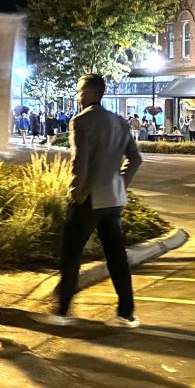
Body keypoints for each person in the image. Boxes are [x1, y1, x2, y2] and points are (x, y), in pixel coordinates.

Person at [52, 74, 142, 328]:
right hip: (113, 198)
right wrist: (120, 183)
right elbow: (135, 159)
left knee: (71, 253)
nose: (77, 95)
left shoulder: (81, 121)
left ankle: (62, 311)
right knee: (117, 256)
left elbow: (81, 162)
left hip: (89, 198)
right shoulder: (119, 121)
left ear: (92, 93)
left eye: (80, 91)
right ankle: (126, 313)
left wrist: (74, 193)